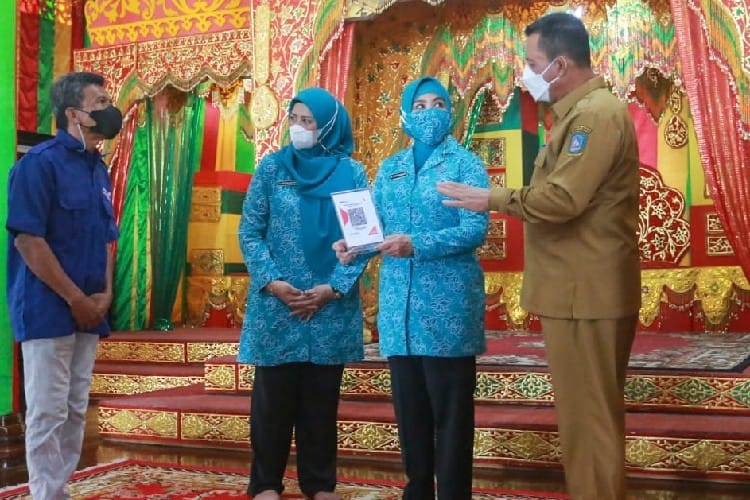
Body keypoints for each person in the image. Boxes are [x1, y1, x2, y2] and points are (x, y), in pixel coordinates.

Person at [437, 12, 641, 500]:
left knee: (589, 419)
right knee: (583, 418)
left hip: (584, 291)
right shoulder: (578, 113)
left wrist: (491, 198)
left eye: (532, 64)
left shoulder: (594, 115)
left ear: (560, 64)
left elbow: (562, 199)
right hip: (577, 289)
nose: (526, 74)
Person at [335, 76, 489, 499]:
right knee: (411, 416)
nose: (429, 112)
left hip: (447, 309)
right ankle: (417, 490)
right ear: (406, 114)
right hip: (398, 311)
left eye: (438, 103)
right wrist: (351, 248)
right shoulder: (391, 169)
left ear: (450, 111)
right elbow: (374, 231)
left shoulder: (465, 164)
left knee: (452, 417)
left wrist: (416, 243)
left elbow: (474, 230)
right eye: (419, 106)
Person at [237, 87, 368, 500]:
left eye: (308, 121)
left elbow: (363, 240)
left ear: (328, 126)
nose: (298, 127)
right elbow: (250, 231)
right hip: (278, 304)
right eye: (294, 119)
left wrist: (332, 289)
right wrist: (274, 282)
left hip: (329, 307)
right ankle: (265, 484)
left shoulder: (352, 174)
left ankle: (319, 483)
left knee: (320, 403)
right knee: (272, 403)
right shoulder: (272, 169)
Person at [6, 71, 122, 499]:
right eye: (100, 102)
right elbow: (28, 241)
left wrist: (105, 294)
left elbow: (107, 239)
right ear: (74, 114)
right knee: (48, 409)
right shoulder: (38, 165)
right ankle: (45, 493)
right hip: (48, 308)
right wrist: (74, 298)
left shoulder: (98, 169)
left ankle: (59, 489)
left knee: (75, 408)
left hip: (90, 308)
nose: (110, 110)